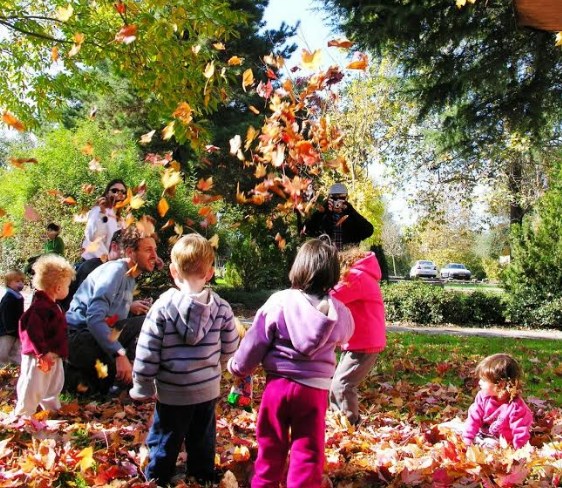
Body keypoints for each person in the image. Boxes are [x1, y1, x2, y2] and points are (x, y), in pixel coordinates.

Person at [227, 237, 355, 488]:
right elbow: (348, 333)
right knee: (308, 452)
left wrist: (239, 367)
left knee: (271, 445)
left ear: (299, 267)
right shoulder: (338, 311)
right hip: (315, 392)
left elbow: (255, 341)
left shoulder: (280, 301)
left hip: (279, 387)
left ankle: (263, 483)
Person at [130, 233, 239, 486]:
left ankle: (158, 475)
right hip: (206, 389)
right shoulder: (222, 308)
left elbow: (147, 348)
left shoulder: (162, 307)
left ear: (173, 271)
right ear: (210, 273)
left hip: (172, 390)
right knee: (202, 435)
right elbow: (231, 346)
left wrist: (143, 383)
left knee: (167, 434)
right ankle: (201, 474)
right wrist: (218, 367)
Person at [65, 224, 159, 396]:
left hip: (94, 338)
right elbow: (94, 319)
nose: (154, 256)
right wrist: (119, 354)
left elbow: (115, 320)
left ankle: (117, 386)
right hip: (78, 338)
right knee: (149, 322)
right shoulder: (115, 271)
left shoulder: (130, 277)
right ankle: (121, 384)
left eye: (155, 250)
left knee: (148, 318)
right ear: (130, 252)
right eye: (148, 250)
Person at [329, 246, 386, 426]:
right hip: (361, 341)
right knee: (339, 383)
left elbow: (332, 297)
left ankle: (349, 423)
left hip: (364, 343)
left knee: (342, 384)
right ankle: (339, 419)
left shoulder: (356, 276)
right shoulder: (363, 275)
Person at [14, 254, 75, 417]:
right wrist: (42, 352)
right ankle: (23, 413)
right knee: (33, 384)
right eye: (67, 285)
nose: (68, 289)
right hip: (38, 356)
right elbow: (32, 332)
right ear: (58, 287)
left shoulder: (53, 307)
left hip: (53, 355)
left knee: (52, 385)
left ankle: (51, 410)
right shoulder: (40, 308)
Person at [463, 353, 533, 449]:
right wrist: (467, 440)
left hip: (498, 441)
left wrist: (519, 452)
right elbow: (473, 419)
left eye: (483, 380)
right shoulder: (483, 397)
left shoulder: (516, 408)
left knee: (491, 445)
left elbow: (520, 433)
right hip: (480, 434)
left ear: (500, 385)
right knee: (451, 426)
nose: (479, 383)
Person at [298, 183, 373, 250]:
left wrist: (350, 210)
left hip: (347, 259)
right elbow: (306, 230)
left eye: (341, 198)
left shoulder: (351, 216)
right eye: (334, 197)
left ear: (346, 198)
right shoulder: (323, 214)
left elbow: (368, 231)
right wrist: (323, 211)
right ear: (329, 198)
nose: (337, 200)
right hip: (327, 260)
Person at [81, 178, 127, 261]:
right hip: (95, 261)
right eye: (114, 190)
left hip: (109, 264)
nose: (118, 194)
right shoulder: (98, 210)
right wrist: (102, 215)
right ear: (107, 192)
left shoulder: (120, 219)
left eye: (123, 192)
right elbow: (91, 236)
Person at [0, 269, 26, 365]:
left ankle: (13, 371)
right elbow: (5, 314)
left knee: (14, 352)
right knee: (3, 353)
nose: (21, 284)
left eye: (22, 281)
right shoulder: (9, 298)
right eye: (17, 281)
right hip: (6, 331)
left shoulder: (18, 297)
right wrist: (10, 328)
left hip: (15, 331)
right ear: (9, 283)